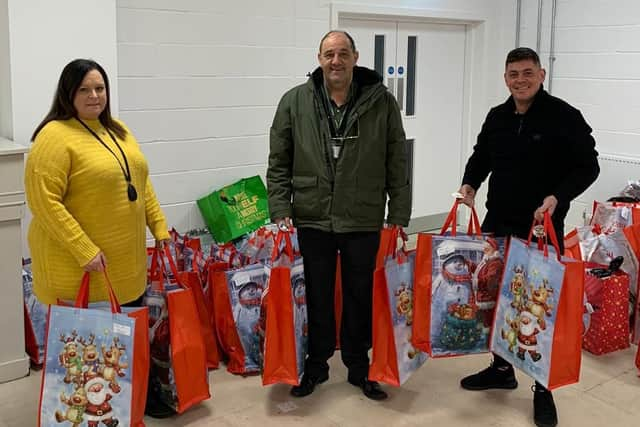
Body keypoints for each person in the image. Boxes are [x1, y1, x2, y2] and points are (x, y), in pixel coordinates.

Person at [458, 47, 600, 427]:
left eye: (526, 72)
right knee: (498, 298)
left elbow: (589, 166)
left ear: (541, 74)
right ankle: (502, 369)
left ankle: (542, 389)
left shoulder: (564, 117)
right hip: (499, 223)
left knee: (536, 310)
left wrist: (558, 196)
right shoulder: (498, 116)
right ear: (505, 79)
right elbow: (481, 156)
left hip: (540, 230)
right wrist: (470, 184)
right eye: (513, 74)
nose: (520, 80)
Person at [24, 58, 174, 418]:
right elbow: (43, 202)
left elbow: (139, 182)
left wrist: (159, 226)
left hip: (125, 266)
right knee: (89, 349)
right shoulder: (54, 137)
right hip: (81, 271)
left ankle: (138, 398)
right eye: (84, 90)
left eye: (100, 88)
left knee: (129, 340)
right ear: (68, 94)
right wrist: (83, 248)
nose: (94, 96)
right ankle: (84, 411)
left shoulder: (118, 130)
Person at [267, 30, 411, 400]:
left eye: (343, 53)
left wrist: (399, 212)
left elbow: (397, 159)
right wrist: (280, 207)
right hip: (313, 215)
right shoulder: (294, 102)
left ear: (355, 57)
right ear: (319, 58)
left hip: (361, 216)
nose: (336, 61)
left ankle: (359, 368)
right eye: (329, 54)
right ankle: (315, 367)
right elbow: (279, 161)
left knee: (359, 294)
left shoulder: (382, 102)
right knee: (316, 295)